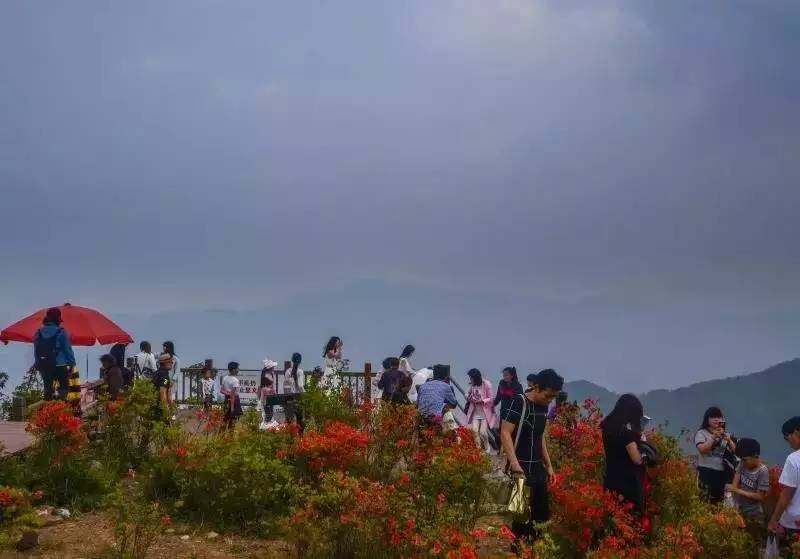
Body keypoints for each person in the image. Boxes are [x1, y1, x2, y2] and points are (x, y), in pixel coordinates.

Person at [500, 369, 564, 543]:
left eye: (553, 397)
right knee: (521, 519)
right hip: (520, 470)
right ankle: (519, 551)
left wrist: (549, 465)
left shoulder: (543, 406)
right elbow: (505, 433)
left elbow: (539, 436)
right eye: (548, 395)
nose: (549, 400)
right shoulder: (519, 402)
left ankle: (536, 550)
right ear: (536, 387)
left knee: (541, 516)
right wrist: (514, 464)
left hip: (537, 469)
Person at [600, 394, 647, 514]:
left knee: (612, 518)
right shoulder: (626, 434)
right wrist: (643, 442)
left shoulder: (608, 427)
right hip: (627, 484)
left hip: (610, 479)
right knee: (629, 520)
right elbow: (637, 459)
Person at [731, 437, 769, 546]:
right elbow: (735, 482)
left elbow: (760, 496)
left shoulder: (763, 471)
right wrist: (735, 505)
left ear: (755, 456)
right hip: (740, 511)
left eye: (745, 459)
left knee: (753, 544)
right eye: (741, 459)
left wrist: (738, 490)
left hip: (754, 514)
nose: (742, 462)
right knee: (739, 543)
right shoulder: (742, 463)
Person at [695, 406, 737, 504]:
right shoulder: (701, 433)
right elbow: (703, 449)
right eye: (713, 417)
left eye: (719, 417)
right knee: (704, 500)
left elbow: (737, 451)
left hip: (721, 472)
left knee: (718, 502)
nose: (716, 420)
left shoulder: (726, 435)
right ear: (707, 419)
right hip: (706, 471)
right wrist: (713, 437)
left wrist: (729, 440)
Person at [33, 307, 76, 401]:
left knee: (47, 390)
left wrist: (38, 363)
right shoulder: (61, 332)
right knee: (64, 389)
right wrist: (72, 364)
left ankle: (48, 409)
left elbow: (36, 350)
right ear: (57, 319)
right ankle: (60, 406)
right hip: (60, 365)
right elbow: (67, 350)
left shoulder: (38, 332)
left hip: (45, 365)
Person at [769, 417, 800, 540]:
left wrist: (773, 521)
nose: (789, 444)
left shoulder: (794, 459)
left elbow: (786, 496)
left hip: (794, 523)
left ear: (796, 433)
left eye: (788, 439)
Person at [465, 369, 496, 453]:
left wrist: (482, 401)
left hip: (485, 413)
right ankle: (478, 449)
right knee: (474, 431)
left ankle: (487, 447)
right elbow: (467, 393)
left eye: (471, 377)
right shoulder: (472, 385)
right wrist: (468, 397)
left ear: (475, 377)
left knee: (482, 432)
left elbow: (491, 398)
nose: (470, 379)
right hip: (475, 412)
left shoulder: (486, 384)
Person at [283, 353, 305, 430]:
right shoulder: (300, 371)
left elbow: (285, 386)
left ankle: (289, 438)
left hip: (288, 397)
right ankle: (301, 438)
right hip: (298, 397)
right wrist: (304, 395)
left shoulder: (287, 371)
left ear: (292, 360)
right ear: (300, 361)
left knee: (289, 420)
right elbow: (300, 386)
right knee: (300, 419)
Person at [221, 361, 243, 429]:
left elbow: (221, 390)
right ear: (233, 369)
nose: (238, 370)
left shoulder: (225, 378)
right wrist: (232, 407)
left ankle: (221, 434)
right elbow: (233, 395)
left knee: (226, 418)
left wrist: (228, 394)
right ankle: (231, 434)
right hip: (234, 401)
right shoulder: (235, 380)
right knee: (233, 419)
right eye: (237, 368)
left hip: (226, 400)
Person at [152, 353, 173, 417]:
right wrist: (166, 410)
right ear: (166, 362)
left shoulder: (156, 373)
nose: (172, 363)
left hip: (153, 406)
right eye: (170, 361)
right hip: (160, 409)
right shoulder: (165, 376)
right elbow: (162, 392)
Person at [162, 341, 180, 414]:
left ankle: (173, 412)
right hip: (164, 380)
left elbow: (177, 371)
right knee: (164, 396)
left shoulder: (175, 358)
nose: (163, 348)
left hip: (171, 380)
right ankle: (167, 413)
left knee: (170, 397)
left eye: (164, 346)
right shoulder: (162, 356)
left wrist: (173, 380)